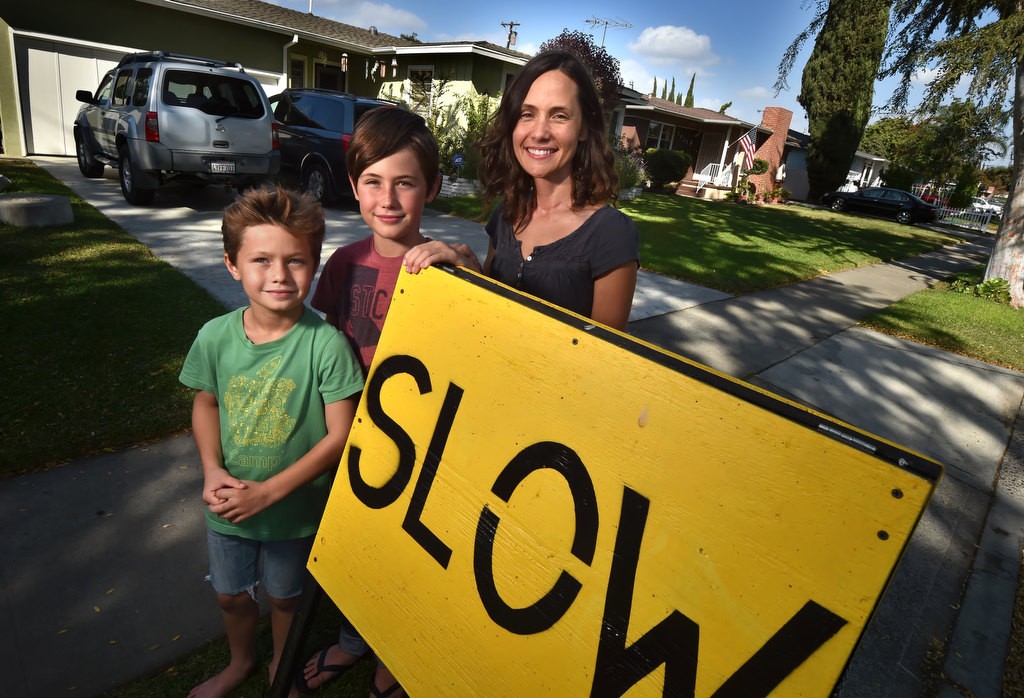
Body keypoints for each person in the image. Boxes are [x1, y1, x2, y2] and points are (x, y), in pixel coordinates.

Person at [178, 185, 365, 698]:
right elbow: (206, 403)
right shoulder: (214, 336)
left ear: (315, 263)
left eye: (296, 260)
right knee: (231, 596)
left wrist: (270, 492)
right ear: (233, 264)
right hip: (229, 503)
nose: (280, 275)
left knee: (286, 599)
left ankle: (280, 664)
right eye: (261, 259)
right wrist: (212, 470)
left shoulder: (326, 345)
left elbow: (341, 434)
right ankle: (240, 663)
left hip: (293, 509)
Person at [297, 106, 441, 697]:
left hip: (417, 443)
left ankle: (395, 651)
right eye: (373, 181)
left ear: (430, 187)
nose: (388, 197)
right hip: (349, 439)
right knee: (353, 548)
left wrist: (461, 259)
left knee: (407, 555)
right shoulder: (343, 263)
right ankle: (354, 640)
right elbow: (325, 345)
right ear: (354, 185)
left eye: (404, 182)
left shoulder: (445, 270)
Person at [402, 49, 639, 331]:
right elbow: (490, 313)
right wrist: (467, 271)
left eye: (559, 116)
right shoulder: (506, 213)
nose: (539, 132)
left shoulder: (610, 233)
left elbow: (608, 358)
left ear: (584, 127)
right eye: (527, 114)